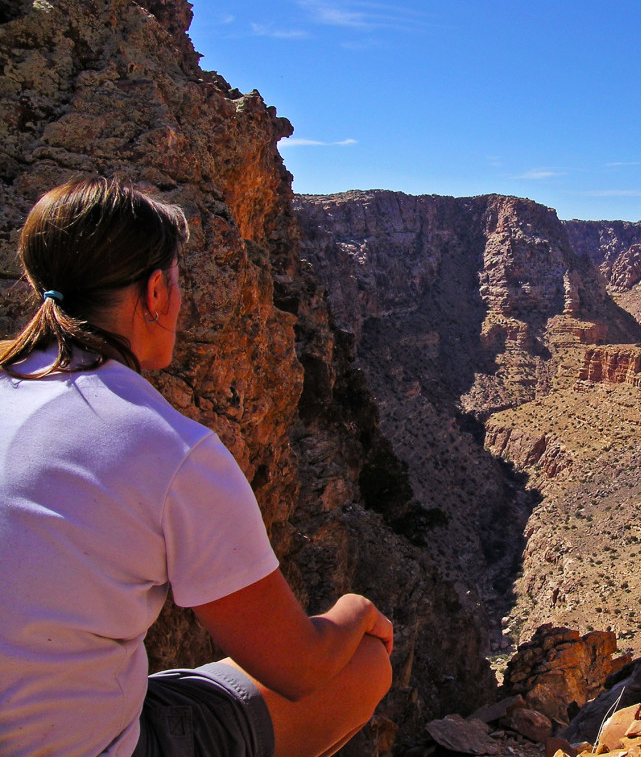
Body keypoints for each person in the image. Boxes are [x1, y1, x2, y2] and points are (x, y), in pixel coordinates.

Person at [0, 177, 393, 757]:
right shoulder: (166, 448)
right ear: (155, 293)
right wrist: (355, 610)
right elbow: (299, 670)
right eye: (178, 283)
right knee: (361, 665)